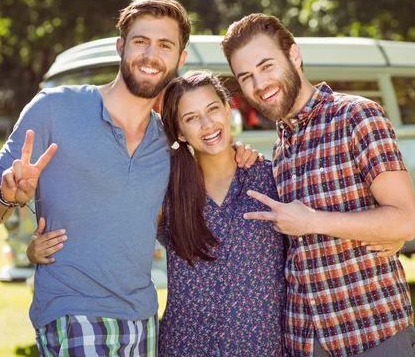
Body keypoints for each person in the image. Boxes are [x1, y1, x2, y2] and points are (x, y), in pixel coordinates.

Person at [0, 0, 257, 356]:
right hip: (73, 311)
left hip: (143, 318)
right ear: (121, 46)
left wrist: (243, 154)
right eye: (141, 41)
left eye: (165, 45)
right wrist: (4, 197)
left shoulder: (168, 141)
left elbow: (200, 192)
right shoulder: (55, 108)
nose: (151, 55)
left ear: (180, 59)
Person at [28, 70, 286, 356]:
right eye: (191, 118)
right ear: (178, 132)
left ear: (228, 109)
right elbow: (107, 226)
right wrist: (38, 250)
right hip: (185, 345)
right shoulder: (165, 187)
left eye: (213, 109)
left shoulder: (271, 177)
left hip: (259, 344)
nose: (207, 124)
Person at [221, 14, 415, 356]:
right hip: (306, 342)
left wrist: (312, 221)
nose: (259, 83)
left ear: (294, 56)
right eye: (246, 77)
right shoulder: (280, 147)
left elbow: (406, 220)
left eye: (266, 65)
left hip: (373, 336)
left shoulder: (357, 116)